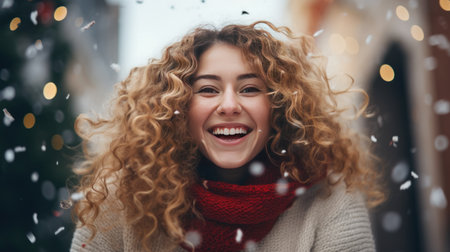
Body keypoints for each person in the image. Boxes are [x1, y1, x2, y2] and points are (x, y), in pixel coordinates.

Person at [70, 20, 384, 252]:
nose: (230, 105)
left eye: (250, 89)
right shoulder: (122, 198)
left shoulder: (328, 195)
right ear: (179, 106)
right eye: (208, 90)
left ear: (277, 105)